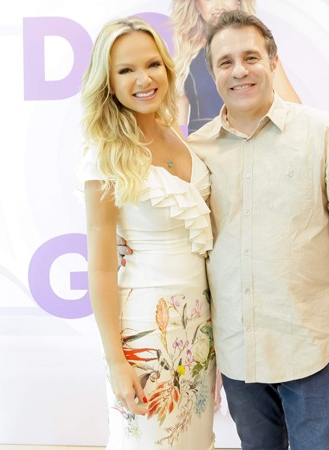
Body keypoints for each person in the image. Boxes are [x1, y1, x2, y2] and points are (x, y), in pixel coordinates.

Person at [186, 10, 329, 450]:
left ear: (273, 62)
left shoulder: (326, 135)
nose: (239, 71)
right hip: (238, 353)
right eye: (225, 62)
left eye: (251, 57)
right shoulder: (195, 152)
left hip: (313, 348)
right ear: (213, 73)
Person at [78, 17, 216, 450]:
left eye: (153, 64)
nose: (144, 79)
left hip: (199, 325)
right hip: (144, 327)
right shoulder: (104, 156)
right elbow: (101, 269)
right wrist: (116, 362)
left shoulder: (180, 137)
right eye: (126, 70)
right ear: (108, 82)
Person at [170, 0, 300, 135]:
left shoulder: (261, 53)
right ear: (196, 4)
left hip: (252, 140)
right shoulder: (185, 57)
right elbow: (178, 119)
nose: (219, 5)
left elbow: (295, 111)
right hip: (202, 144)